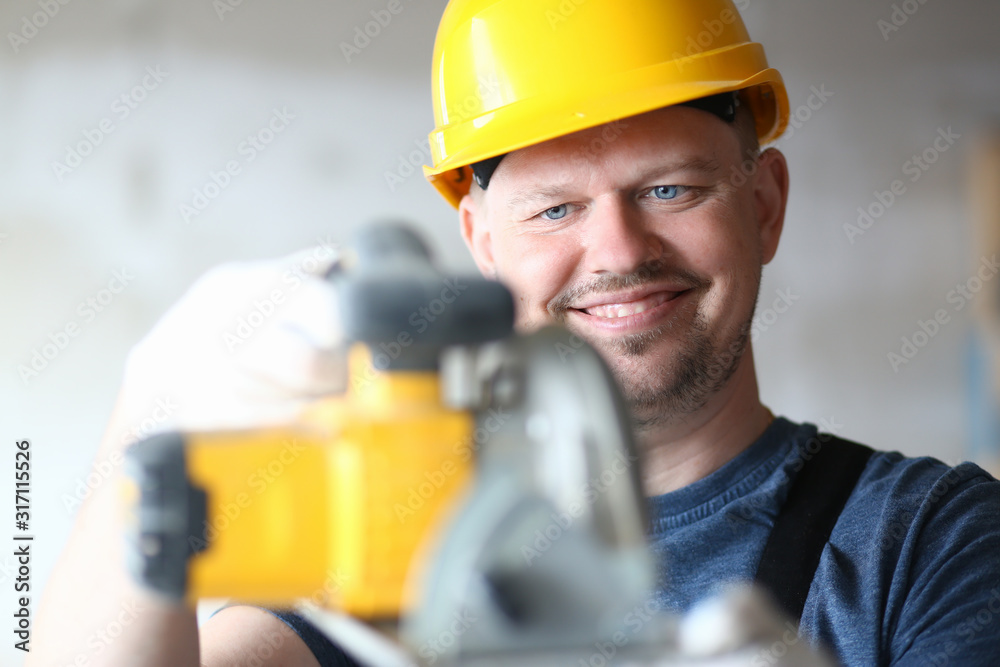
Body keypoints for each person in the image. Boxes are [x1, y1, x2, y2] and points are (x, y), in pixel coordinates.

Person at [30, 1, 1000, 666]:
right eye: (553, 210)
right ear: (480, 242)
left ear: (766, 205)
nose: (617, 246)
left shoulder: (929, 541)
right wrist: (147, 425)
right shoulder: (398, 538)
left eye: (670, 187)